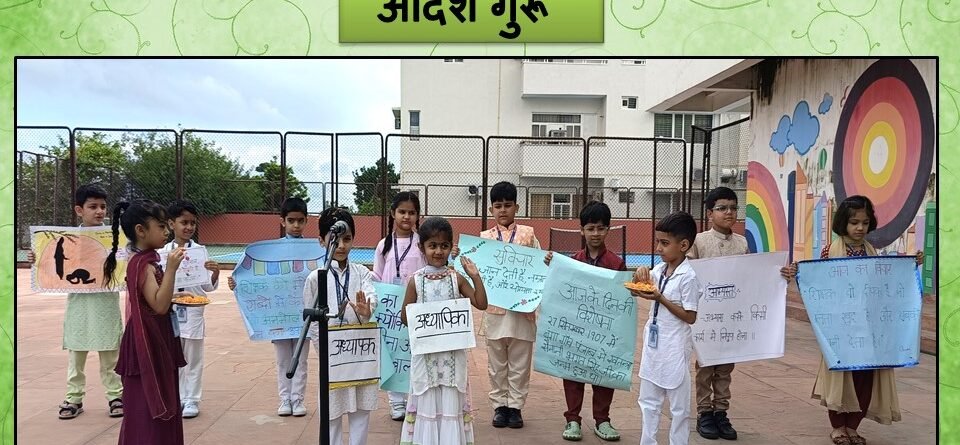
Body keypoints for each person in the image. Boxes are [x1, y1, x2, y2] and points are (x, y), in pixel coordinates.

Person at [796, 195, 924, 445]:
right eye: (854, 222)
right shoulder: (829, 251)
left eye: (865, 223)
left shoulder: (872, 252)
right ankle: (838, 428)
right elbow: (820, 282)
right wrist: (796, 271)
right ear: (843, 222)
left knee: (866, 377)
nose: (860, 228)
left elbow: (884, 283)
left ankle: (853, 427)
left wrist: (911, 264)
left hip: (869, 328)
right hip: (841, 328)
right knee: (842, 377)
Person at [28, 184, 124, 420]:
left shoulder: (115, 238)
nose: (99, 211)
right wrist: (36, 258)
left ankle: (116, 396)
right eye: (93, 207)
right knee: (76, 353)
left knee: (110, 352)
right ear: (79, 210)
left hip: (106, 302)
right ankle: (74, 398)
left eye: (103, 206)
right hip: (78, 303)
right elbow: (52, 264)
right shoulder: (66, 238)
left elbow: (123, 264)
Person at [453, 181, 540, 429]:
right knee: (497, 363)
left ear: (517, 207)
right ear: (491, 209)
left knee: (520, 363)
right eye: (498, 206)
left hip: (521, 310)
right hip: (494, 310)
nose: (503, 210)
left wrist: (545, 260)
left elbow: (538, 268)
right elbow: (469, 269)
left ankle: (516, 406)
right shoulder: (484, 239)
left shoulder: (529, 235)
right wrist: (457, 256)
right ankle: (500, 406)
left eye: (508, 205)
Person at [104, 199, 187, 444]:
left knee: (156, 400)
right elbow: (159, 306)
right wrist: (171, 269)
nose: (167, 231)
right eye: (161, 226)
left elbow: (156, 300)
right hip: (147, 343)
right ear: (141, 230)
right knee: (146, 409)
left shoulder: (147, 261)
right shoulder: (142, 265)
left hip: (156, 336)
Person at [399, 216, 488, 445]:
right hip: (426, 356)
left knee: (450, 402)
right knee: (427, 400)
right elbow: (404, 317)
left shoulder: (456, 278)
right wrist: (422, 317)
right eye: (433, 246)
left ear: (451, 246)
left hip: (452, 357)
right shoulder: (415, 281)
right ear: (422, 248)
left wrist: (475, 276)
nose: (438, 251)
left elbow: (481, 303)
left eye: (444, 245)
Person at [544, 201, 625, 442]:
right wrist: (552, 265)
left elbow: (622, 301)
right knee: (573, 374)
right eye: (590, 228)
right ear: (581, 230)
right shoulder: (572, 261)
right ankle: (572, 419)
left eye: (600, 228)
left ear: (608, 229)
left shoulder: (617, 264)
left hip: (604, 331)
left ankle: (602, 420)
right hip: (576, 330)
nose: (595, 233)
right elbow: (559, 289)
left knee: (604, 374)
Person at [228, 197, 311, 417]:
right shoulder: (270, 250)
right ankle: (285, 399)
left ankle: (298, 399)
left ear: (306, 221)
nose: (296, 225)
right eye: (291, 220)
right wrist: (238, 283)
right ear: (282, 221)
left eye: (300, 220)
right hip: (278, 315)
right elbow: (248, 275)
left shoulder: (314, 250)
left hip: (303, 316)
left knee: (301, 360)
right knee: (283, 360)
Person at [302, 207, 378, 445]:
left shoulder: (361, 272)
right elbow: (312, 324)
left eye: (347, 239)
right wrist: (324, 352)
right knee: (331, 412)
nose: (342, 246)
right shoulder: (316, 278)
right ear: (321, 241)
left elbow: (370, 296)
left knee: (361, 411)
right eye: (335, 240)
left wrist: (367, 310)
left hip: (359, 354)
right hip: (333, 358)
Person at [630, 211, 701, 445]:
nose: (659, 248)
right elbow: (636, 289)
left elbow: (690, 316)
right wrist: (639, 275)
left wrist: (661, 299)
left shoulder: (688, 277)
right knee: (648, 402)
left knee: (679, 407)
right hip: (654, 346)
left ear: (683, 245)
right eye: (658, 242)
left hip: (675, 347)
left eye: (664, 243)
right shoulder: (659, 270)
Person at [157, 199, 220, 419]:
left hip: (193, 310)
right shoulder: (163, 253)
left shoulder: (200, 251)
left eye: (193, 223)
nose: (189, 227)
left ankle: (192, 398)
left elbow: (207, 287)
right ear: (171, 224)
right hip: (170, 309)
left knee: (193, 356)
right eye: (184, 222)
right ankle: (176, 396)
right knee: (171, 355)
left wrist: (214, 273)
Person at [371, 192, 426, 421]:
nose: (406, 216)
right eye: (402, 211)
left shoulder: (422, 244)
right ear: (393, 213)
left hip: (415, 306)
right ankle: (396, 402)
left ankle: (414, 398)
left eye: (411, 212)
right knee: (393, 352)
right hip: (390, 310)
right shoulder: (383, 245)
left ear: (418, 216)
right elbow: (376, 274)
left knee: (413, 352)